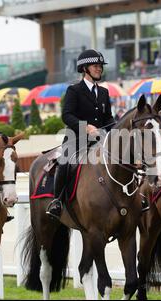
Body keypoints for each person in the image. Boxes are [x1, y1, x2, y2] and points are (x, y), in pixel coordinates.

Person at [46, 49, 116, 220]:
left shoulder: (104, 92)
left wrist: (114, 131)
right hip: (76, 140)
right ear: (85, 68)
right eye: (95, 66)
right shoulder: (74, 90)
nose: (99, 69)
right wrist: (86, 128)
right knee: (64, 163)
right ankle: (57, 201)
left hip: (100, 141)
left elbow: (108, 117)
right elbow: (67, 115)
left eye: (100, 66)